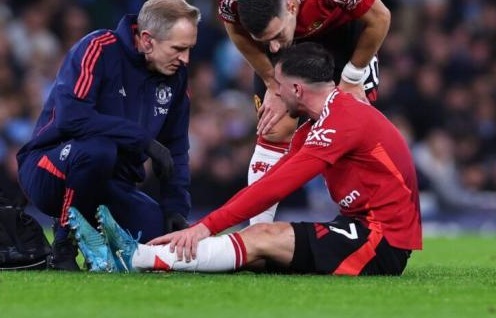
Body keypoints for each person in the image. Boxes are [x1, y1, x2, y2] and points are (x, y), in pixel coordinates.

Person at [68, 43, 422, 276]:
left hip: (382, 241)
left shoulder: (343, 122)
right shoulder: (318, 123)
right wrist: (210, 225)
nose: (274, 93)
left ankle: (134, 257)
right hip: (362, 225)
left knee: (263, 236)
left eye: (277, 85)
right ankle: (140, 254)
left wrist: (205, 226)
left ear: (297, 90)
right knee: (256, 249)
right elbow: (270, 181)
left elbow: (277, 187)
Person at [16, 0, 199, 270]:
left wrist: (175, 208)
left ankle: (99, 233)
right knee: (98, 151)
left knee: (160, 233)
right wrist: (142, 140)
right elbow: (71, 118)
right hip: (50, 168)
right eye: (178, 49)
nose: (185, 59)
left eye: (189, 49)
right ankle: (64, 244)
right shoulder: (98, 48)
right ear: (148, 40)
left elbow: (175, 148)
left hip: (112, 185)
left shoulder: (175, 77)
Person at [217, 0, 391, 224]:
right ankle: (258, 232)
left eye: (274, 37)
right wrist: (272, 81)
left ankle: (371, 224)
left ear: (291, 7)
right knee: (274, 126)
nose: (273, 48)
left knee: (352, 128)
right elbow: (235, 31)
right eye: (264, 40)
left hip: (342, 29)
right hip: (296, 34)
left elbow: (381, 18)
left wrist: (352, 76)